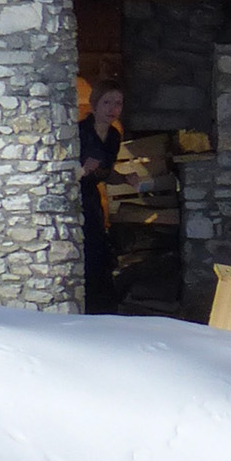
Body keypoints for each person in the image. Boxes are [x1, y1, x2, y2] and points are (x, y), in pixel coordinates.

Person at [79, 82, 124, 311]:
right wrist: (82, 171)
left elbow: (105, 173)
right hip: (76, 197)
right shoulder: (80, 132)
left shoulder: (114, 136)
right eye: (107, 102)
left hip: (93, 198)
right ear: (94, 105)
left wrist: (125, 179)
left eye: (117, 103)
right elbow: (64, 171)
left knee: (98, 249)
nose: (112, 108)